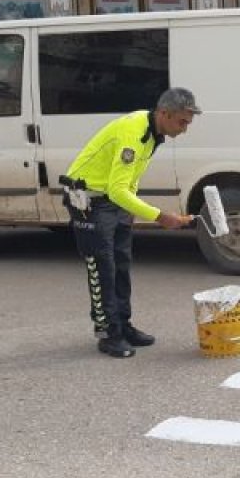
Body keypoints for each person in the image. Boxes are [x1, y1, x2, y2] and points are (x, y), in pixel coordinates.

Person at [63, 88, 200, 358]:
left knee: (122, 264)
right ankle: (108, 334)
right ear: (164, 113)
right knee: (102, 268)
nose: (185, 129)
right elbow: (117, 188)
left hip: (115, 200)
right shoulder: (133, 133)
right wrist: (160, 216)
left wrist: (133, 205)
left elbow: (128, 178)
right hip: (89, 201)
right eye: (182, 122)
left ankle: (123, 326)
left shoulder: (153, 132)